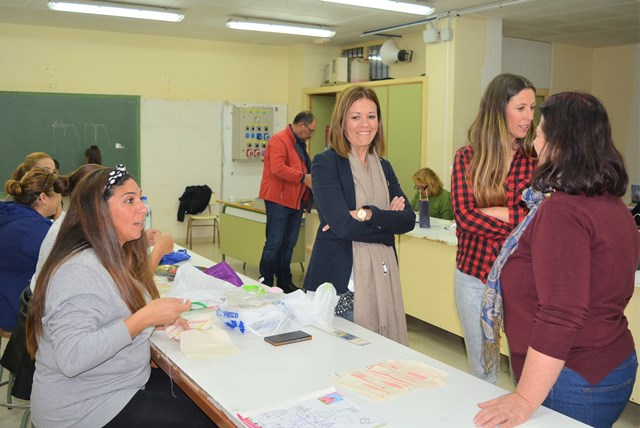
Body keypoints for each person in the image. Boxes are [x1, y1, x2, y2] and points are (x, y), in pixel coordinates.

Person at [474, 92, 639, 427]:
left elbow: (561, 315)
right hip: (608, 361)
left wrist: (523, 399)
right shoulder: (611, 203)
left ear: (559, 143)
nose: (534, 144)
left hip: (574, 375)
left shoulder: (563, 210)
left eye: (539, 134)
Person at [26, 166, 213, 428]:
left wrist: (152, 320)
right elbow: (72, 358)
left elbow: (110, 314)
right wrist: (143, 318)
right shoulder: (79, 270)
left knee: (205, 400)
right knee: (207, 419)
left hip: (117, 384)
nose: (142, 208)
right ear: (98, 213)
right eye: (129, 200)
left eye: (140, 198)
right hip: (84, 409)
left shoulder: (110, 255)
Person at [303, 85, 415, 345]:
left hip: (382, 282)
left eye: (371, 116)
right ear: (342, 122)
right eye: (356, 117)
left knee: (378, 362)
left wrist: (367, 213)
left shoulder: (384, 167)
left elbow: (408, 220)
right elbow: (342, 226)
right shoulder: (326, 163)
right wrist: (387, 224)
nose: (365, 124)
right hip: (340, 287)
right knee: (340, 365)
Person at [451, 73, 537, 384]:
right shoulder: (467, 157)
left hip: (522, 279)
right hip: (473, 278)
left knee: (526, 371)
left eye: (532, 108)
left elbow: (539, 222)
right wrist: (518, 217)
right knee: (482, 371)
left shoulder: (536, 161)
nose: (529, 117)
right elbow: (464, 218)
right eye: (521, 108)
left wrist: (498, 212)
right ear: (499, 110)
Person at [0, 167, 64, 331]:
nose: (60, 201)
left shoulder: (11, 214)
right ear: (43, 198)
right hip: (14, 311)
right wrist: (59, 220)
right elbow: (63, 259)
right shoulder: (34, 229)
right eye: (58, 195)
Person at [258, 110, 315, 293]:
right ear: (300, 125)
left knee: (289, 244)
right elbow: (278, 168)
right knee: (274, 243)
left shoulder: (299, 144)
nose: (311, 134)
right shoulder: (279, 140)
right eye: (311, 131)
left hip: (295, 202)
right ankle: (265, 282)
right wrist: (303, 178)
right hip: (278, 200)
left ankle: (284, 281)